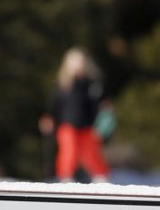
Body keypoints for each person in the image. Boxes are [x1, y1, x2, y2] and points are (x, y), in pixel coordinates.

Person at [38, 48, 111, 182]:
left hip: (88, 126)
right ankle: (66, 177)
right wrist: (49, 118)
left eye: (81, 63)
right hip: (67, 125)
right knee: (69, 151)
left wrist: (103, 124)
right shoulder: (63, 85)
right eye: (75, 63)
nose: (79, 66)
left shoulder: (93, 84)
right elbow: (55, 105)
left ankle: (101, 177)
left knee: (91, 153)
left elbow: (102, 107)